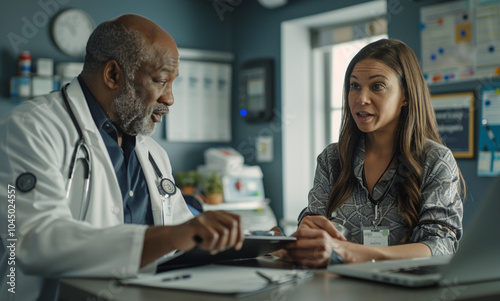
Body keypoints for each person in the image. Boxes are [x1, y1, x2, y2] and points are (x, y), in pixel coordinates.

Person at [0, 14, 243, 301]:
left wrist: (257, 242)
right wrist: (173, 236)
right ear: (113, 75)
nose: (169, 98)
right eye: (161, 81)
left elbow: (182, 236)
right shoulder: (31, 128)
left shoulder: (153, 153)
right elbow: (33, 241)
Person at [282, 39, 464, 267]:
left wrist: (352, 251)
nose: (361, 98)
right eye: (354, 86)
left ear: (405, 96)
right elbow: (314, 232)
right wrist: (306, 232)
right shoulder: (332, 159)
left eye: (377, 86)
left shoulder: (434, 160)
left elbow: (441, 246)